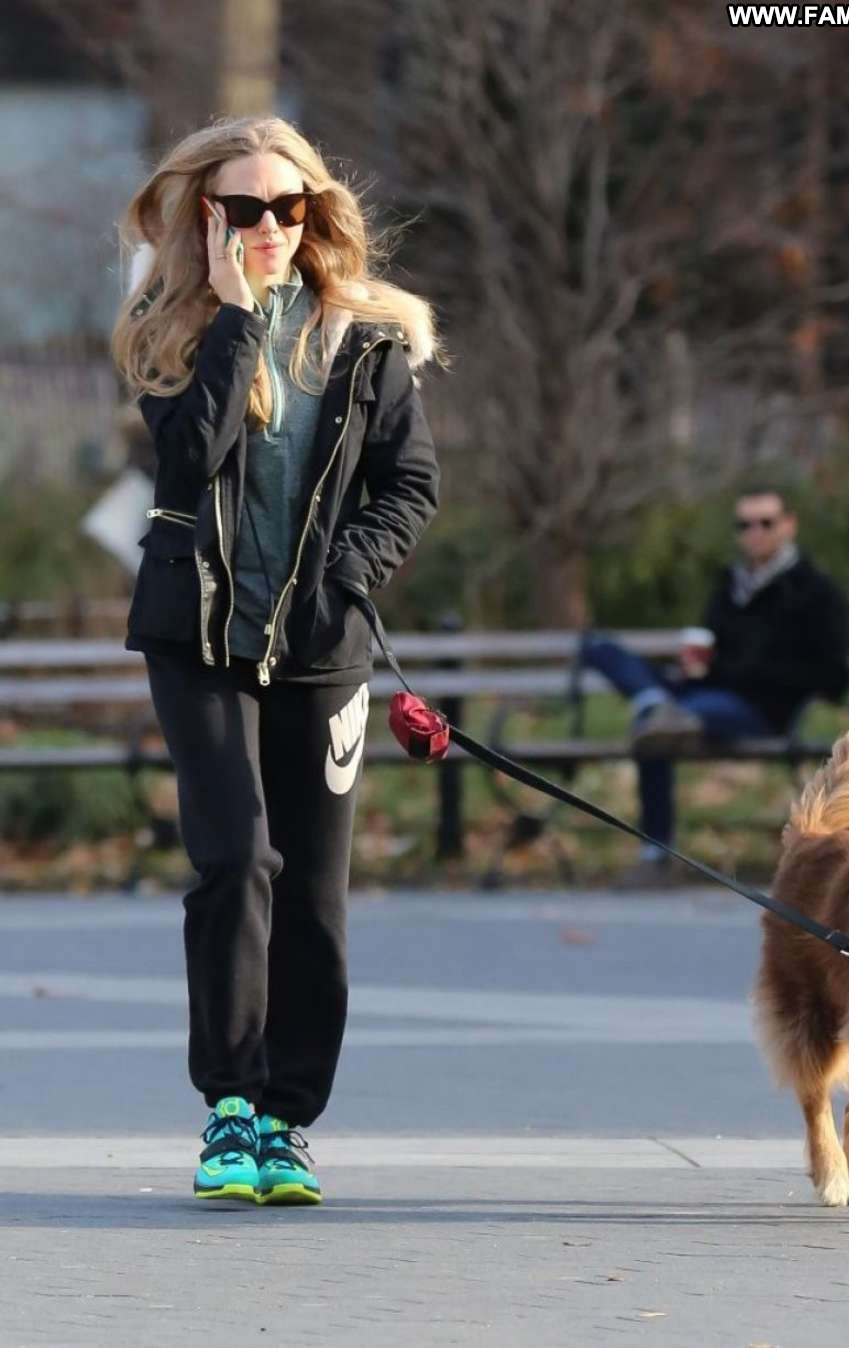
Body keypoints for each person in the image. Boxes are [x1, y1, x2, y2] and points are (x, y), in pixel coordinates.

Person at [110, 116, 441, 1205]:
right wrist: (238, 317)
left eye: (286, 206)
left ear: (313, 214)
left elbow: (410, 485)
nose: (267, 226)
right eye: (243, 207)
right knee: (236, 862)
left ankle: (288, 1120)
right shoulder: (167, 331)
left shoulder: (367, 339)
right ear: (206, 216)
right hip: (198, 641)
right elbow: (190, 458)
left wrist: (346, 573)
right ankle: (231, 1106)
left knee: (313, 895)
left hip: (320, 652)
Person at [580, 486, 849, 886]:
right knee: (601, 649)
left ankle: (658, 719)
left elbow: (834, 676)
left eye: (765, 523)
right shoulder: (729, 585)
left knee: (658, 727)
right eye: (745, 525)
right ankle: (656, 706)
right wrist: (697, 666)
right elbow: (713, 650)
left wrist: (746, 672)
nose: (754, 532)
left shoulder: (815, 592)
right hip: (703, 693)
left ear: (789, 525)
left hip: (761, 707)